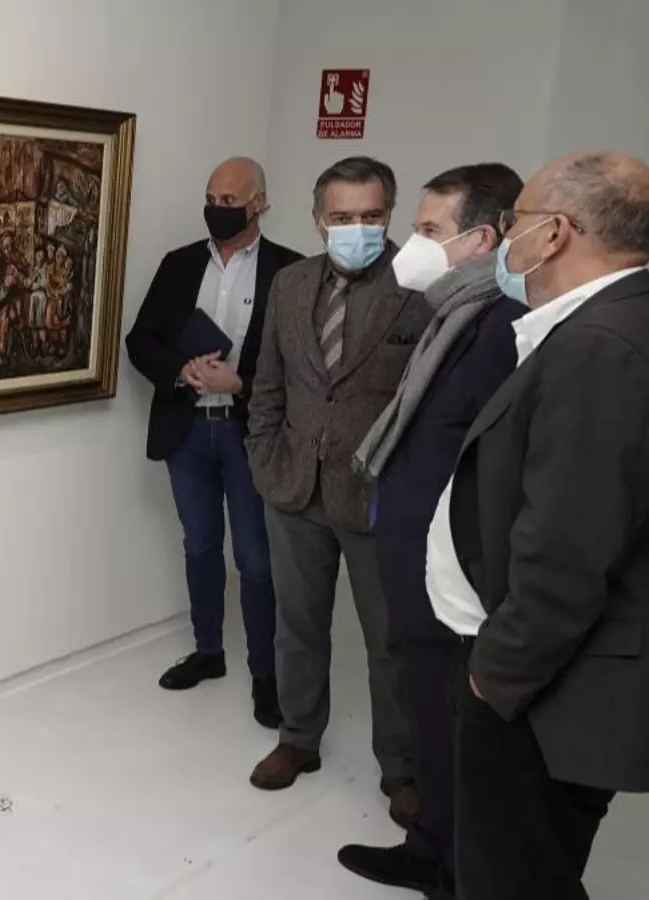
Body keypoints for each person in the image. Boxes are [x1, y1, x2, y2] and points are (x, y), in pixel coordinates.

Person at [442, 151, 649, 900]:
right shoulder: (610, 322)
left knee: (512, 877)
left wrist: (492, 677)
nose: (505, 239)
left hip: (541, 689)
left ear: (555, 232)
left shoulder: (603, 345)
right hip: (549, 672)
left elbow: (568, 552)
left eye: (515, 222)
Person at [333, 164, 526, 898]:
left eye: (428, 230)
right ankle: (428, 847)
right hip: (412, 553)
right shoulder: (452, 313)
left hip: (453, 575)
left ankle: (453, 870)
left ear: (481, 240)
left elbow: (491, 469)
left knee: (454, 722)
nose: (410, 244)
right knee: (428, 709)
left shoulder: (500, 329)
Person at [245, 157, 430, 829]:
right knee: (297, 626)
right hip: (294, 487)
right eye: (343, 217)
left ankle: (402, 769)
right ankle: (299, 738)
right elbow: (268, 382)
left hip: (378, 497)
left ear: (390, 215)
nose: (357, 228)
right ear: (319, 219)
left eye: (371, 216)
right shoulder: (290, 284)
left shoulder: (420, 288)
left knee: (391, 641)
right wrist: (263, 459)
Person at [125, 157, 304, 728]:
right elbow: (140, 340)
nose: (217, 210)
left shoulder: (291, 272)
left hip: (249, 434)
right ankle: (208, 651)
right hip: (186, 430)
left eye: (229, 201)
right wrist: (180, 371)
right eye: (211, 199)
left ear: (259, 203)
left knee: (255, 559)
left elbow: (303, 366)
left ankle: (265, 676)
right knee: (200, 544)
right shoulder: (179, 265)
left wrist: (240, 383)